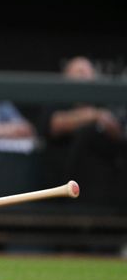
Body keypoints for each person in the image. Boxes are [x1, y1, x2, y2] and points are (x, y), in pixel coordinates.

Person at [39, 56, 126, 206]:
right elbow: (54, 125)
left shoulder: (103, 101)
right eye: (79, 72)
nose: (85, 76)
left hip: (100, 186)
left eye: (89, 72)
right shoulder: (57, 100)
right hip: (61, 185)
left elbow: (118, 133)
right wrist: (94, 115)